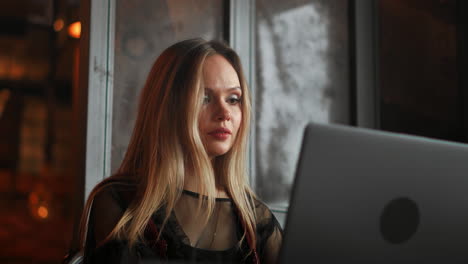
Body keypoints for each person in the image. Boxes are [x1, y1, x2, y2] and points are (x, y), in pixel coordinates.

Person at [78, 38, 282, 263]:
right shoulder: (119, 202)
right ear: (169, 107)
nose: (225, 113)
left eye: (233, 99)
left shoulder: (257, 224)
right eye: (205, 97)